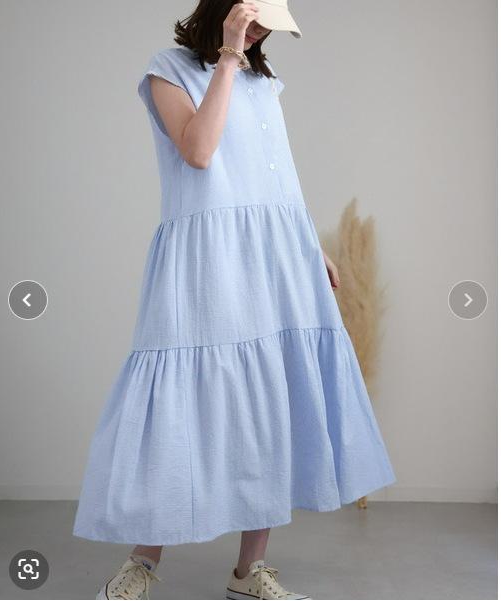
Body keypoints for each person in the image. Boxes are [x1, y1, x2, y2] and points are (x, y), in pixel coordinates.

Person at [72, 0, 397, 599]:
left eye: (267, 25)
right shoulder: (168, 69)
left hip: (279, 252)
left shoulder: (263, 82)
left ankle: (250, 571)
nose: (260, 32)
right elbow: (198, 152)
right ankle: (143, 560)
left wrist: (310, 242)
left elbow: (278, 173)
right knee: (179, 397)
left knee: (273, 388)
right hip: (206, 252)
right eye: (253, 19)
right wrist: (225, 57)